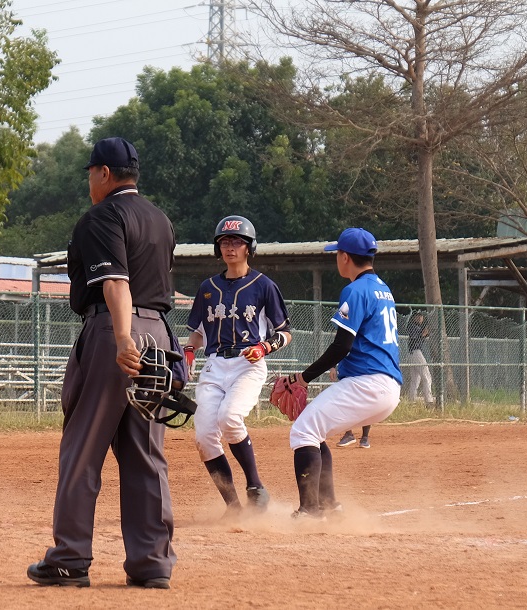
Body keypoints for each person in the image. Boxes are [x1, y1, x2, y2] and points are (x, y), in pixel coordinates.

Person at [27, 137, 179, 590]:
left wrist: (120, 338)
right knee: (146, 453)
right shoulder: (161, 219)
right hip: (158, 333)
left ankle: (70, 558)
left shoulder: (102, 216)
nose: (89, 180)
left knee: (83, 448)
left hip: (117, 332)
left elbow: (115, 282)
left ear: (105, 174)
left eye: (91, 171)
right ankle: (152, 563)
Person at [274, 227, 402, 519]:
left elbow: (340, 346)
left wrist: (301, 378)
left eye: (337, 254)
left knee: (303, 431)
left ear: (345, 257)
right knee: (314, 432)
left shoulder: (355, 289)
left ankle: (309, 511)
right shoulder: (382, 288)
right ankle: (329, 506)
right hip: (386, 386)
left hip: (368, 384)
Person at [183, 215, 291, 519]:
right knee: (204, 436)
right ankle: (232, 506)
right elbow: (197, 332)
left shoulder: (263, 286)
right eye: (225, 242)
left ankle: (256, 487)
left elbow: (285, 331)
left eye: (237, 242)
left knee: (230, 418)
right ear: (219, 249)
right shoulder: (207, 288)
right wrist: (189, 353)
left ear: (248, 247)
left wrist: (265, 346)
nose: (230, 247)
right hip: (215, 364)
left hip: (248, 362)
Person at [403, 311, 434, 406]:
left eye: (421, 316)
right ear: (414, 318)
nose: (420, 318)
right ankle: (428, 400)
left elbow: (424, 334)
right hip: (415, 353)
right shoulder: (412, 326)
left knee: (415, 379)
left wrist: (426, 332)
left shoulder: (419, 328)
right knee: (427, 376)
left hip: (413, 354)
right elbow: (416, 337)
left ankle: (411, 401)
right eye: (418, 316)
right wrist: (423, 334)